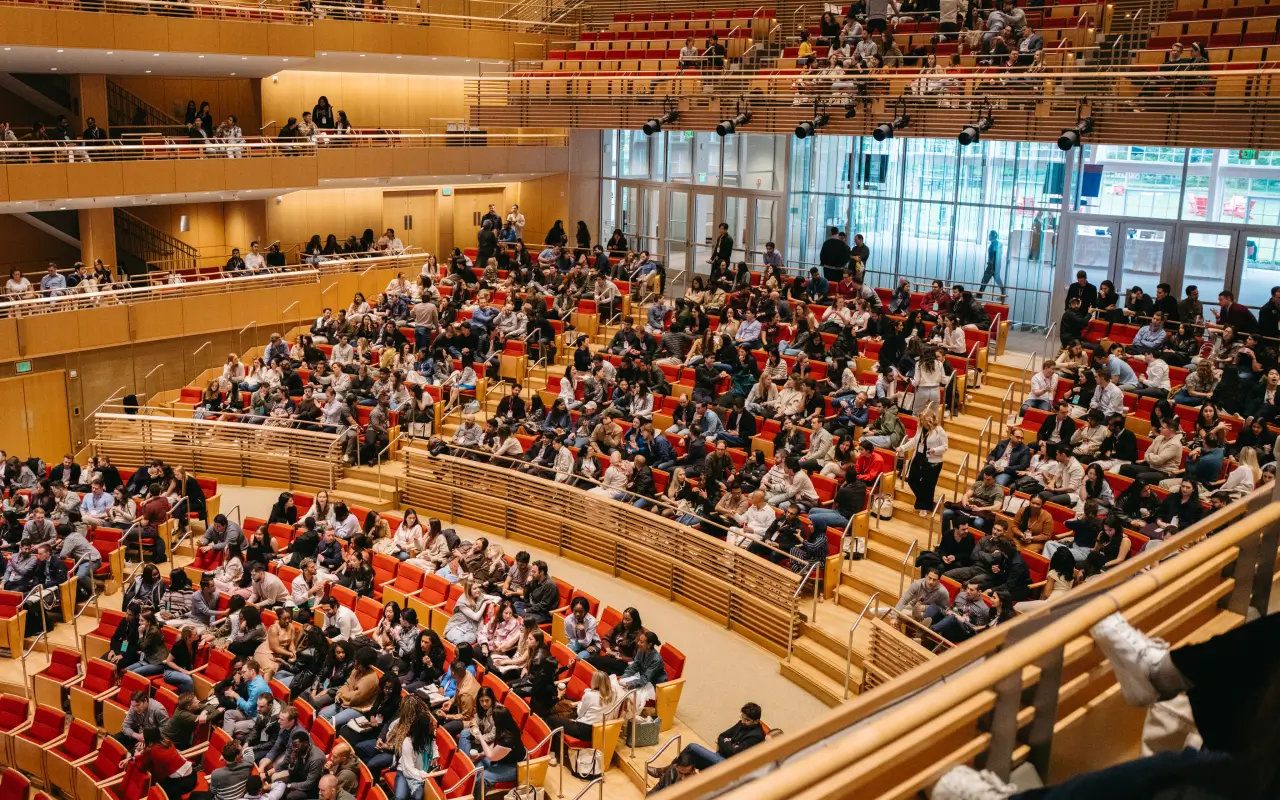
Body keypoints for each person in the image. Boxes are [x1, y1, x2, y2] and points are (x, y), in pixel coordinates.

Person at [659, 703, 766, 772]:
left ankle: (667, 771)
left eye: (746, 720)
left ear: (756, 721)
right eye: (742, 718)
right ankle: (670, 773)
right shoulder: (741, 723)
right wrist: (730, 745)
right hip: (720, 756)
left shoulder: (756, 736)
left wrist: (726, 743)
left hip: (730, 766)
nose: (743, 721)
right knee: (690, 758)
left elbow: (734, 754)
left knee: (692, 748)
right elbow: (721, 736)